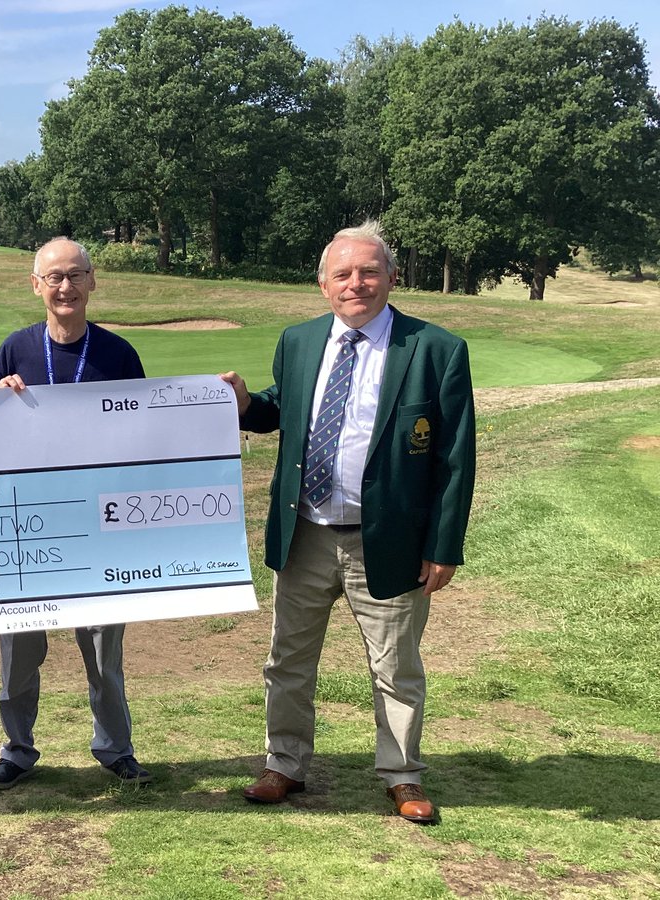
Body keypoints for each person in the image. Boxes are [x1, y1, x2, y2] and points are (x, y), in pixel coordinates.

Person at [220, 221, 475, 823]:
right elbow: (283, 410)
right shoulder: (299, 341)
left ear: (391, 276)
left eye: (368, 271)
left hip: (387, 541)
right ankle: (284, 765)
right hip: (305, 533)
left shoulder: (435, 349)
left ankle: (402, 775)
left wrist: (444, 547)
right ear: (322, 283)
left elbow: (455, 457)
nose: (355, 283)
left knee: (395, 665)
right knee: (287, 659)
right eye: (343, 273)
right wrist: (245, 404)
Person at [0, 237, 152, 790]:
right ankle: (17, 749)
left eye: (75, 275)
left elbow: (147, 434)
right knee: (19, 653)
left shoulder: (118, 354)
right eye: (53, 277)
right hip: (27, 526)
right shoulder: (15, 349)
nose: (65, 287)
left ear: (92, 282)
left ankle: (115, 748)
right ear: (36, 286)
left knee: (103, 649)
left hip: (98, 524)